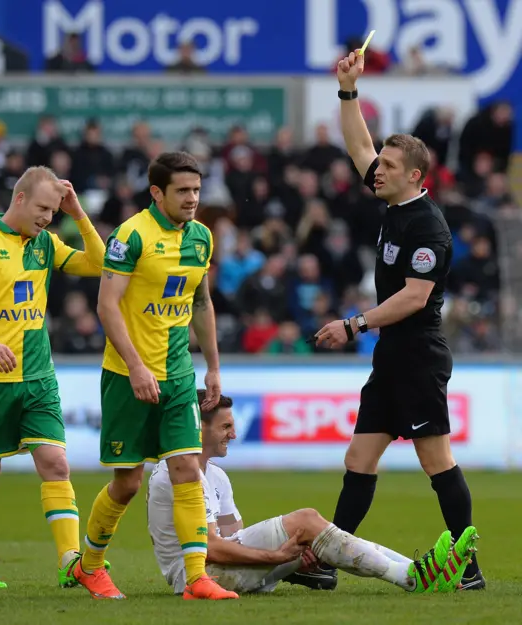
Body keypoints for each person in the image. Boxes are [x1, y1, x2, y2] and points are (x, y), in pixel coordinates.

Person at [309, 47, 485, 591]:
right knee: (359, 456)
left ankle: (469, 567)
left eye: (385, 166)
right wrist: (348, 89)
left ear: (413, 175)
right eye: (377, 164)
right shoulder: (397, 203)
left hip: (418, 354)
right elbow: (359, 142)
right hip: (393, 356)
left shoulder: (428, 227)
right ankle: (329, 561)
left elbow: (414, 297)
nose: (374, 170)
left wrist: (355, 323)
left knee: (437, 461)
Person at [71, 152, 238, 601]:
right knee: (128, 482)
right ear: (157, 193)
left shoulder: (201, 237)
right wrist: (137, 366)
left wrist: (214, 366)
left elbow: (201, 303)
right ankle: (89, 566)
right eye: (182, 191)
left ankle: (197, 578)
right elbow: (107, 306)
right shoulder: (130, 236)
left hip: (179, 373)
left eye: (197, 190)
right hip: (129, 374)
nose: (192, 199)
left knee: (186, 468)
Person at [147, 392, 479, 595]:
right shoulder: (174, 477)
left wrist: (291, 555)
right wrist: (278, 557)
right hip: (198, 578)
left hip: (225, 570)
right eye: (225, 427)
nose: (234, 434)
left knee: (313, 533)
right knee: (306, 520)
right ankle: (413, 577)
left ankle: (421, 571)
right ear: (199, 428)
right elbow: (212, 550)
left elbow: (237, 537)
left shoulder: (216, 475)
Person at [0, 166, 105, 589]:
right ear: (19, 199)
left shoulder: (46, 245)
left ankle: (71, 562)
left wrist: (77, 214)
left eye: (53, 211)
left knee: (56, 464)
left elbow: (101, 262)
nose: (47, 218)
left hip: (38, 376)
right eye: (43, 208)